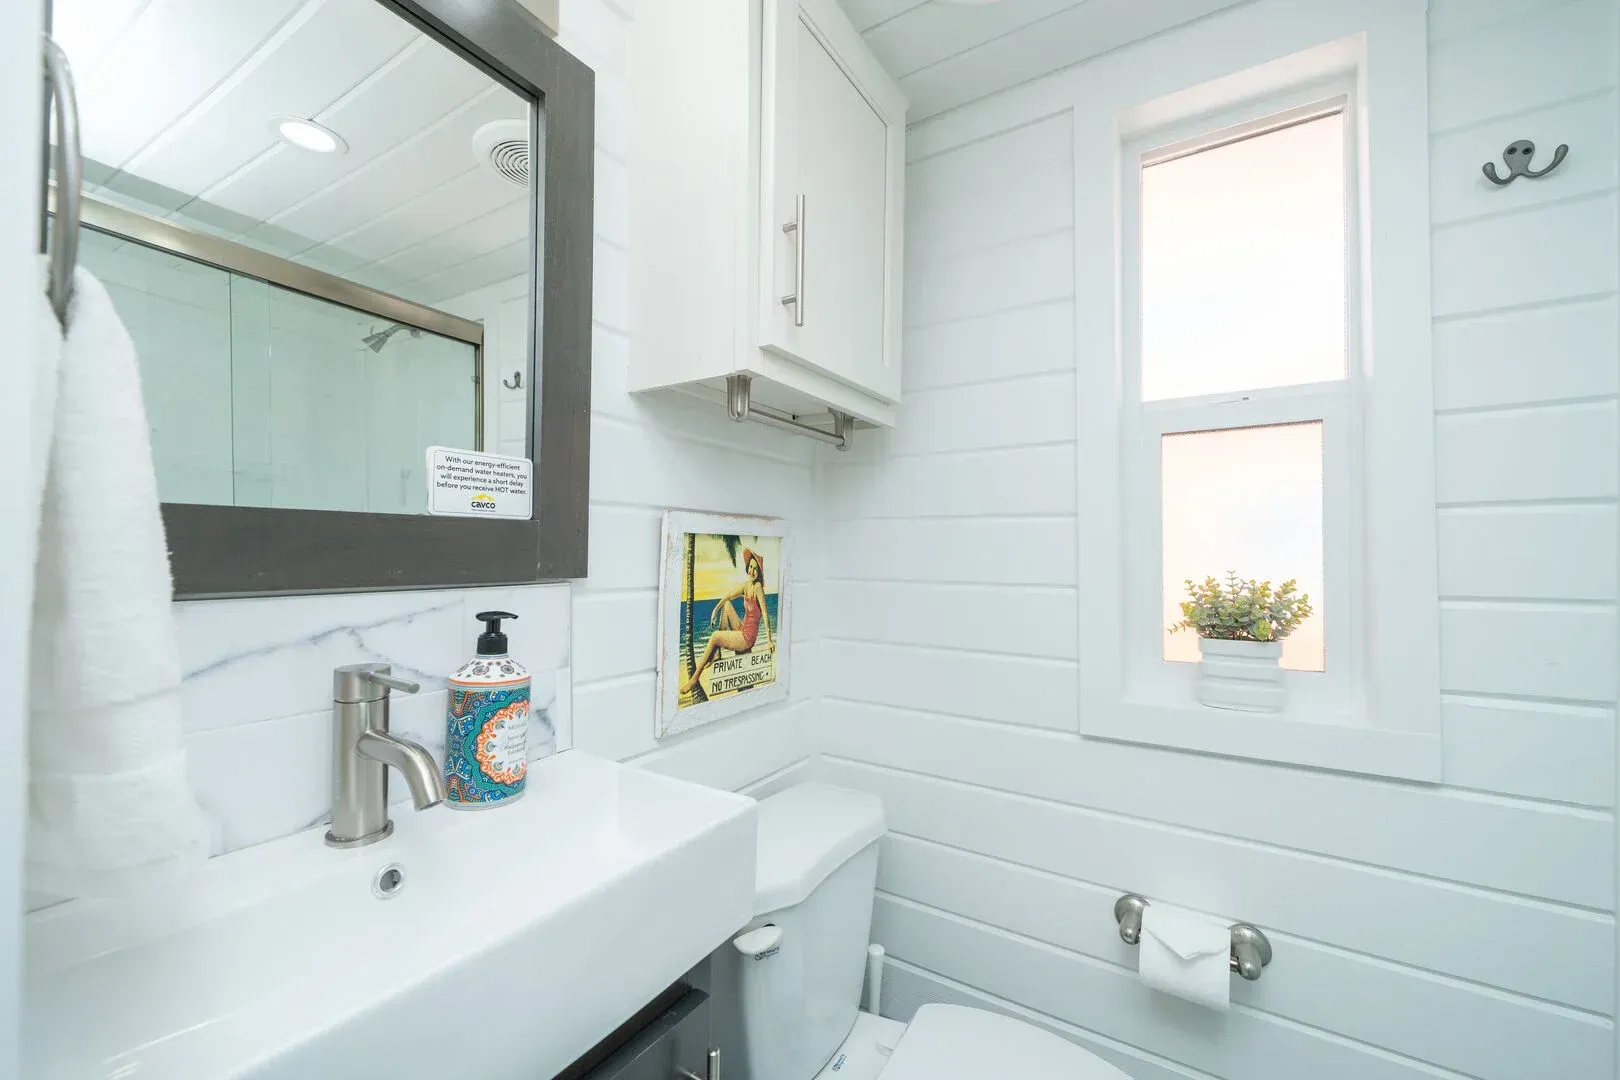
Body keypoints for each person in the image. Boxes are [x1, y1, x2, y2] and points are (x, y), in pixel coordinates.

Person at [681, 547, 774, 695]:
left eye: (755, 569)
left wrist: (769, 640)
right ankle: (716, 653)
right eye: (750, 567)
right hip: (743, 628)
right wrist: (715, 611)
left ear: (759, 572)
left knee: (715, 637)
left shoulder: (758, 588)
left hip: (747, 637)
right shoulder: (746, 585)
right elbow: (729, 596)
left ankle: (695, 678)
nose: (751, 571)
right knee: (727, 605)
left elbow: (765, 613)